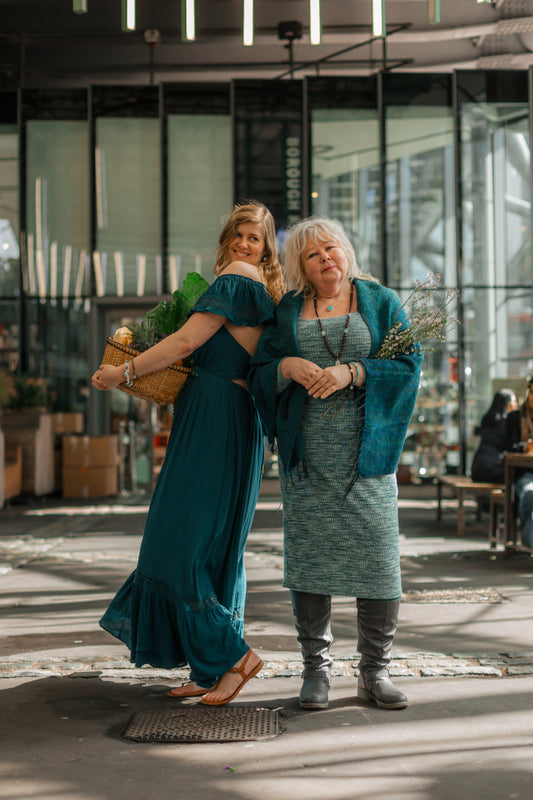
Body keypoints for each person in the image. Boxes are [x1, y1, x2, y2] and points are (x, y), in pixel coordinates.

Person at [91, 200, 286, 705]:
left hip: (216, 417)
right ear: (227, 238)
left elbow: (183, 343)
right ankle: (210, 669)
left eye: (256, 239)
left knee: (174, 541)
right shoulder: (259, 291)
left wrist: (122, 374)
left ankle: (234, 657)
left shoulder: (237, 280)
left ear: (265, 251)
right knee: (214, 548)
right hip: (229, 419)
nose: (245, 245)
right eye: (239, 236)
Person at [248, 217, 423, 711]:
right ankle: (316, 672)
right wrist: (285, 366)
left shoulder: (380, 301)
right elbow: (258, 368)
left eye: (331, 248)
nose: (325, 258)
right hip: (308, 461)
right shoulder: (287, 311)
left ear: (345, 251)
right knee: (311, 562)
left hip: (368, 459)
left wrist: (355, 370)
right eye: (311, 254)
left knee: (378, 562)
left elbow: (410, 365)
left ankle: (375, 672)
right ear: (300, 266)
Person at [506, 377, 533, 549]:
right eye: (532, 392)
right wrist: (526, 446)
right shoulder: (515, 418)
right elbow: (509, 446)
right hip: (525, 472)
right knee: (530, 492)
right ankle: (528, 542)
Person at [471, 389, 518, 483]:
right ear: (507, 404)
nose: (516, 404)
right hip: (492, 471)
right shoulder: (506, 423)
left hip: (477, 470)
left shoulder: (489, 420)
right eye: (514, 401)